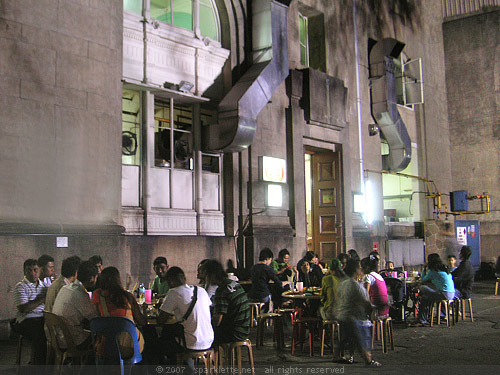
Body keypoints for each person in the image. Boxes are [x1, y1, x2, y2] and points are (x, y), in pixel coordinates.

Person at [92, 267, 153, 361]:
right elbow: (142, 322)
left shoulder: (97, 295)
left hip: (106, 348)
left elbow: (96, 316)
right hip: (130, 348)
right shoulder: (128, 297)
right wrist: (144, 310)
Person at [157, 267, 214, 366]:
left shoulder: (173, 293)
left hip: (192, 343)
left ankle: (172, 368)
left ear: (170, 281)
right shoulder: (201, 290)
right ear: (184, 278)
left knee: (164, 336)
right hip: (209, 340)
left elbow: (160, 320)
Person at [334, 259, 381, 367]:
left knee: (345, 337)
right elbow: (366, 303)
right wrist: (371, 312)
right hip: (352, 317)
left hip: (341, 314)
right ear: (356, 271)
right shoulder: (356, 286)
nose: (361, 270)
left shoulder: (343, 284)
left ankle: (337, 355)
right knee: (361, 338)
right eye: (360, 268)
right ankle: (368, 360)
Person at [52, 261, 99, 349]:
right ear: (91, 278)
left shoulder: (65, 288)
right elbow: (94, 318)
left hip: (59, 338)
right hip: (72, 340)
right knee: (101, 339)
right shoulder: (80, 294)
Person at [203, 260, 250, 346]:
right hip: (245, 329)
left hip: (235, 333)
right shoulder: (233, 284)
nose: (205, 279)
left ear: (212, 275)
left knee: (205, 335)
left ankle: (213, 359)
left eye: (206, 275)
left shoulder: (221, 290)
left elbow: (217, 321)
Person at [13, 259, 48, 365]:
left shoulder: (44, 286)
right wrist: (42, 299)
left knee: (55, 332)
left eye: (35, 270)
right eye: (29, 270)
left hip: (42, 318)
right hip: (26, 321)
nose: (33, 273)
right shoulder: (20, 286)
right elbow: (24, 308)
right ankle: (38, 366)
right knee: (41, 335)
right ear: (24, 272)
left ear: (40, 271)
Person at [413, 253, 455, 326]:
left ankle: (422, 319)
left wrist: (424, 270)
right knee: (425, 297)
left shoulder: (433, 271)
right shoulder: (445, 268)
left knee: (422, 289)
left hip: (443, 294)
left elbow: (423, 279)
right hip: (451, 293)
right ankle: (425, 317)